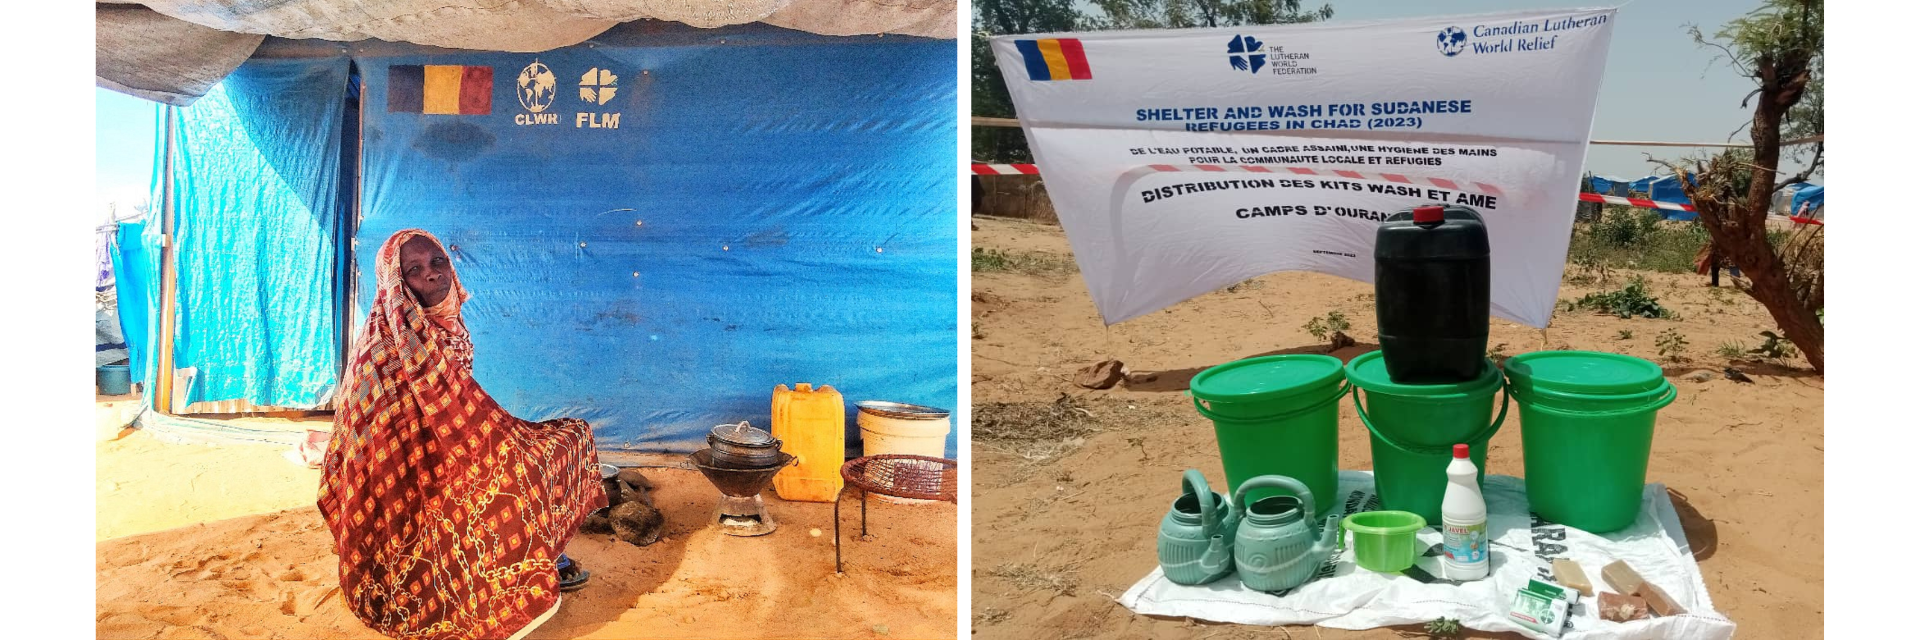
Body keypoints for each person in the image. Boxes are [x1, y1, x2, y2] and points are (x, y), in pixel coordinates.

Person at [319, 229, 608, 640]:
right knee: (520, 474)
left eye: (437, 262)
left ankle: (548, 554)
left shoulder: (445, 327)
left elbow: (455, 413)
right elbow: (386, 447)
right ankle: (520, 569)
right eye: (414, 270)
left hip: (447, 454)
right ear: (396, 284)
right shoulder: (384, 348)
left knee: (570, 439)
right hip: (407, 485)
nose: (432, 275)